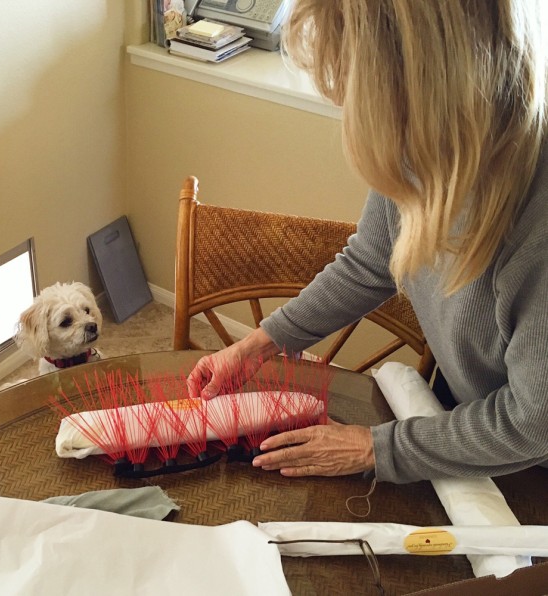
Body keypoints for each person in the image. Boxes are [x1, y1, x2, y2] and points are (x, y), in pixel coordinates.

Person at [187, 0, 548, 484]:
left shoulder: (535, 211)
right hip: (471, 414)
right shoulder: (424, 138)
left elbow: (533, 421)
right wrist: (258, 345)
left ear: (423, 84)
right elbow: (371, 262)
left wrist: (372, 448)